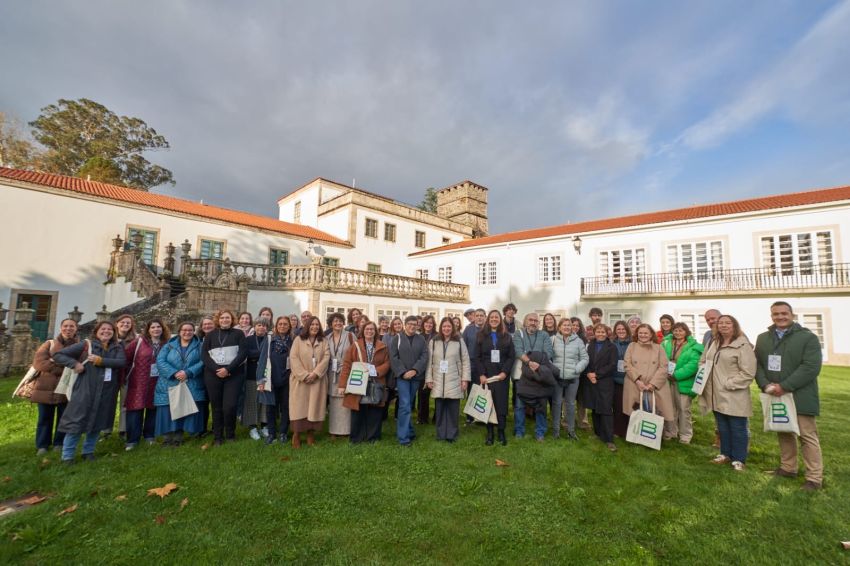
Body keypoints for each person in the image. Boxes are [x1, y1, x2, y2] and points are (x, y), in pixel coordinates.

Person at [754, 301, 824, 490]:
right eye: (776, 314)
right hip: (774, 393)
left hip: (800, 394)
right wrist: (765, 384)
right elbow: (757, 364)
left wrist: (785, 386)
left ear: (792, 315)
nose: (780, 317)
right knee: (783, 431)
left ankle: (814, 478)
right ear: (771, 317)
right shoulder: (763, 338)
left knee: (807, 435)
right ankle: (788, 468)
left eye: (784, 313)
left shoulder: (808, 338)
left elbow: (811, 367)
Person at [54, 321, 126, 463]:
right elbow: (58, 355)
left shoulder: (117, 347)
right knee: (76, 421)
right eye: (103, 329)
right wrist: (75, 364)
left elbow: (121, 362)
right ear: (96, 331)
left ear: (114, 332)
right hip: (85, 389)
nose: (106, 331)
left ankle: (88, 451)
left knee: (98, 422)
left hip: (106, 390)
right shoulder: (87, 345)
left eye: (109, 329)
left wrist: (101, 360)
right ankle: (67, 455)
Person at [698, 315, 755, 471]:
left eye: (727, 323)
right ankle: (725, 454)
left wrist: (730, 383)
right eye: (720, 323)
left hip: (734, 392)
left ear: (734, 325)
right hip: (715, 392)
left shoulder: (743, 345)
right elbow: (703, 360)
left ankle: (739, 459)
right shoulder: (714, 342)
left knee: (737, 426)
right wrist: (702, 369)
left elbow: (748, 372)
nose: (723, 325)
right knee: (722, 425)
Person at [30, 318, 79, 455]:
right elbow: (39, 363)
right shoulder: (49, 344)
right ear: (60, 328)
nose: (68, 329)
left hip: (66, 387)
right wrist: (64, 367)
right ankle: (42, 445)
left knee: (64, 417)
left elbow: (80, 365)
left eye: (71, 326)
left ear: (76, 329)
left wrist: (54, 361)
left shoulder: (80, 346)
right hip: (45, 387)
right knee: (44, 418)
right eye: (65, 326)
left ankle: (59, 442)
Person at [201, 310, 248, 445]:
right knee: (216, 407)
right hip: (213, 374)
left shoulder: (238, 334)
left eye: (227, 318)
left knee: (230, 406)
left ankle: (230, 434)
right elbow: (204, 355)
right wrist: (217, 369)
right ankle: (218, 437)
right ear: (218, 320)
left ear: (232, 319)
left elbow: (243, 353)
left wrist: (228, 369)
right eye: (222, 318)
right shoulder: (211, 335)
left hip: (234, 374)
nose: (224, 320)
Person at [154, 321, 205, 445]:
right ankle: (167, 438)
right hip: (169, 381)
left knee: (184, 408)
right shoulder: (168, 345)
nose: (187, 332)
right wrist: (174, 372)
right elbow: (160, 361)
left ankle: (178, 437)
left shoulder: (200, 345)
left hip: (190, 381)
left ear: (194, 332)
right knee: (167, 410)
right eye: (184, 330)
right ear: (179, 332)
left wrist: (188, 372)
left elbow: (203, 361)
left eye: (190, 330)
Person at [339, 321, 390, 444]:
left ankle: (373, 437)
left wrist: (376, 371)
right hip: (358, 381)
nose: (369, 331)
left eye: (372, 329)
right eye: (367, 329)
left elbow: (387, 363)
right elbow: (346, 365)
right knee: (357, 410)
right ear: (363, 331)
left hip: (376, 381)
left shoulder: (382, 346)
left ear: (375, 331)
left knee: (375, 410)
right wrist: (342, 385)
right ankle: (356, 438)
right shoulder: (354, 346)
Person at [124, 319, 169, 450]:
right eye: (153, 327)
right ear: (148, 330)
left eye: (158, 327)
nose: (156, 329)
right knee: (135, 409)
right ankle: (132, 440)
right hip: (138, 381)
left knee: (153, 409)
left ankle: (149, 436)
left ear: (163, 328)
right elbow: (126, 358)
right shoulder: (138, 342)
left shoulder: (166, 344)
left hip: (157, 381)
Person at [473, 310, 515, 445]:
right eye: (492, 317)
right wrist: (481, 374)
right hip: (487, 375)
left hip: (501, 376)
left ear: (500, 320)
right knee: (488, 404)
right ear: (488, 319)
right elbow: (477, 357)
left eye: (496, 317)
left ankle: (501, 431)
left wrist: (505, 372)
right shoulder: (480, 335)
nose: (494, 319)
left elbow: (511, 356)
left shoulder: (507, 336)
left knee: (501, 404)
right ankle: (490, 432)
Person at [425, 317, 470, 442]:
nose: (446, 328)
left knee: (452, 410)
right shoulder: (434, 341)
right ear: (441, 327)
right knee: (440, 409)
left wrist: (465, 379)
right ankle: (440, 434)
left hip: (455, 379)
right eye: (444, 326)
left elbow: (465, 360)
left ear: (453, 327)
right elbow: (429, 362)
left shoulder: (459, 341)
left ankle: (451, 435)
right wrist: (429, 379)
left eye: (449, 326)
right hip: (438, 380)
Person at [623, 324, 676, 428]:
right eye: (640, 333)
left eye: (646, 333)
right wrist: (638, 381)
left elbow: (663, 367)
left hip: (654, 386)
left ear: (651, 334)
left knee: (655, 412)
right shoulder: (631, 346)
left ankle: (654, 436)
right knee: (636, 411)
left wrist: (653, 384)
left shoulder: (659, 348)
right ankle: (636, 434)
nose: (643, 335)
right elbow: (627, 364)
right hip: (635, 384)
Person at [289, 316, 330, 448]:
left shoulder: (323, 341)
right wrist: (305, 375)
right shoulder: (298, 340)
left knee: (314, 407)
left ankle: (310, 434)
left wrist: (316, 374)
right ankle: (296, 434)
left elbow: (326, 358)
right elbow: (293, 358)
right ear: (307, 326)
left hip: (317, 381)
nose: (314, 327)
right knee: (299, 408)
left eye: (317, 325)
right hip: (300, 381)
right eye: (312, 324)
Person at [512, 312, 554, 440]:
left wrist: (534, 362)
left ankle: (540, 432)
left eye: (536, 321)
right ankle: (519, 431)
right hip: (521, 375)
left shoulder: (544, 335)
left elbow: (548, 353)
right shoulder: (518, 334)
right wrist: (530, 361)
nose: (533, 322)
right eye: (530, 320)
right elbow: (518, 350)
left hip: (539, 374)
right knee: (520, 405)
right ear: (525, 322)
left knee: (541, 405)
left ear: (539, 323)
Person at [389, 315, 428, 446]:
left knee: (408, 404)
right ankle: (404, 438)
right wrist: (403, 372)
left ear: (417, 325)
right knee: (405, 405)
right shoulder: (397, 338)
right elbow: (393, 357)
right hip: (402, 378)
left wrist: (415, 370)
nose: (412, 326)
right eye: (409, 324)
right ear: (405, 325)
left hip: (416, 377)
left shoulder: (421, 339)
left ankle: (410, 431)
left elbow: (424, 356)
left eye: (414, 324)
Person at [661, 322, 703, 444]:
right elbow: (660, 358)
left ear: (686, 332)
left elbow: (693, 364)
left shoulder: (693, 346)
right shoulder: (666, 343)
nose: (678, 332)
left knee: (684, 409)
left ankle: (685, 435)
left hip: (683, 381)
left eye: (681, 330)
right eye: (675, 330)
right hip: (667, 380)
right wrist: (666, 373)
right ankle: (670, 432)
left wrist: (676, 375)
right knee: (669, 408)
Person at [258, 316, 294, 445]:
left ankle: (283, 432)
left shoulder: (293, 341)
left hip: (288, 379)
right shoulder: (269, 339)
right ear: (276, 326)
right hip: (271, 379)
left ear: (289, 326)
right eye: (280, 324)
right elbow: (262, 360)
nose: (283, 326)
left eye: (285, 324)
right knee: (270, 408)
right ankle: (272, 434)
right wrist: (260, 380)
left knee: (286, 407)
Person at [551, 317, 588, 440]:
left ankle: (571, 431)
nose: (567, 327)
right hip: (557, 378)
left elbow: (585, 358)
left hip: (573, 378)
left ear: (572, 328)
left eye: (569, 325)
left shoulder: (578, 341)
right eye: (564, 325)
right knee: (556, 404)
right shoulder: (553, 340)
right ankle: (555, 431)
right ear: (559, 327)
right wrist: (554, 370)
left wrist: (576, 369)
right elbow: (547, 358)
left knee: (570, 404)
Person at [586, 324, 618, 451]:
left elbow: (612, 364)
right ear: (594, 332)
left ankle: (609, 439)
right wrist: (589, 373)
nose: (600, 334)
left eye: (603, 332)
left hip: (605, 381)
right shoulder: (590, 345)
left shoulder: (612, 347)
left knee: (605, 409)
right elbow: (585, 360)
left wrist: (597, 375)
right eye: (598, 331)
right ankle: (597, 433)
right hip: (591, 381)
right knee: (594, 408)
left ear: (607, 333)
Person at [108, 313, 137, 441]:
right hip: (110, 375)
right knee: (108, 403)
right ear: (117, 324)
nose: (125, 325)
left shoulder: (136, 339)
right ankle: (105, 430)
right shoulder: (109, 337)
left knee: (125, 404)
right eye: (122, 322)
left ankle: (123, 429)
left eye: (128, 323)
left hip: (127, 375)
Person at [327, 313, 356, 437]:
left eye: (340, 321)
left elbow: (356, 353)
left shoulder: (350, 336)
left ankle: (346, 430)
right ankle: (334, 430)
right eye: (335, 321)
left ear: (343, 323)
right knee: (333, 401)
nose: (338, 323)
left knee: (345, 400)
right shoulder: (327, 338)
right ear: (331, 324)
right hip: (331, 372)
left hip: (346, 371)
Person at [243, 319, 269, 440]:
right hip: (251, 375)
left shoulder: (269, 340)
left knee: (265, 402)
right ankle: (252, 427)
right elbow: (246, 354)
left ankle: (265, 426)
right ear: (254, 326)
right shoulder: (248, 340)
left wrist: (255, 355)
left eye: (264, 325)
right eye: (259, 325)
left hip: (267, 376)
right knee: (252, 401)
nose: (261, 327)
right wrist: (262, 354)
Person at [702, 308, 722, 448]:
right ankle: (719, 438)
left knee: (735, 414)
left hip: (726, 379)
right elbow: (705, 354)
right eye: (708, 319)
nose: (711, 321)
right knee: (717, 410)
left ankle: (741, 444)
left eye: (713, 318)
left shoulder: (734, 332)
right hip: (711, 379)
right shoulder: (708, 335)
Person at [462, 309, 485, 424]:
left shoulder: (489, 329)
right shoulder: (468, 329)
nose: (479, 318)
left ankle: (481, 416)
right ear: (474, 317)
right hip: (471, 364)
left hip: (485, 365)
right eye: (477, 316)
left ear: (485, 317)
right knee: (471, 391)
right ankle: (469, 417)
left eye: (482, 315)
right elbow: (463, 346)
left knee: (482, 391)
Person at [611, 321, 631, 438]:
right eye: (618, 329)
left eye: (623, 329)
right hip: (615, 379)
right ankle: (618, 430)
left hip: (630, 379)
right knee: (617, 406)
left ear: (627, 330)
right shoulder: (612, 344)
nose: (621, 331)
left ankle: (630, 429)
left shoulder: (633, 344)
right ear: (615, 331)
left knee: (629, 406)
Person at [196, 315, 215, 436]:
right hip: (199, 374)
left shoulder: (219, 338)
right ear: (201, 327)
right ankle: (201, 428)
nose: (207, 326)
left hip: (214, 373)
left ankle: (215, 427)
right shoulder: (197, 340)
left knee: (215, 402)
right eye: (205, 324)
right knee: (202, 403)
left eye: (210, 324)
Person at [572, 317, 591, 431]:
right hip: (570, 372)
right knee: (568, 398)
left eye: (577, 326)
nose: (575, 327)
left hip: (582, 373)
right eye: (573, 325)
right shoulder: (565, 338)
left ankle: (583, 421)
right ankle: (568, 420)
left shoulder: (584, 340)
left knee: (581, 398)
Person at [417, 315, 437, 425]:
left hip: (435, 368)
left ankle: (437, 418)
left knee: (437, 394)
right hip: (422, 369)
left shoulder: (438, 336)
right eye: (426, 323)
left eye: (431, 323)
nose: (428, 325)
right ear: (423, 324)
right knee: (422, 394)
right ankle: (422, 418)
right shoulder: (419, 336)